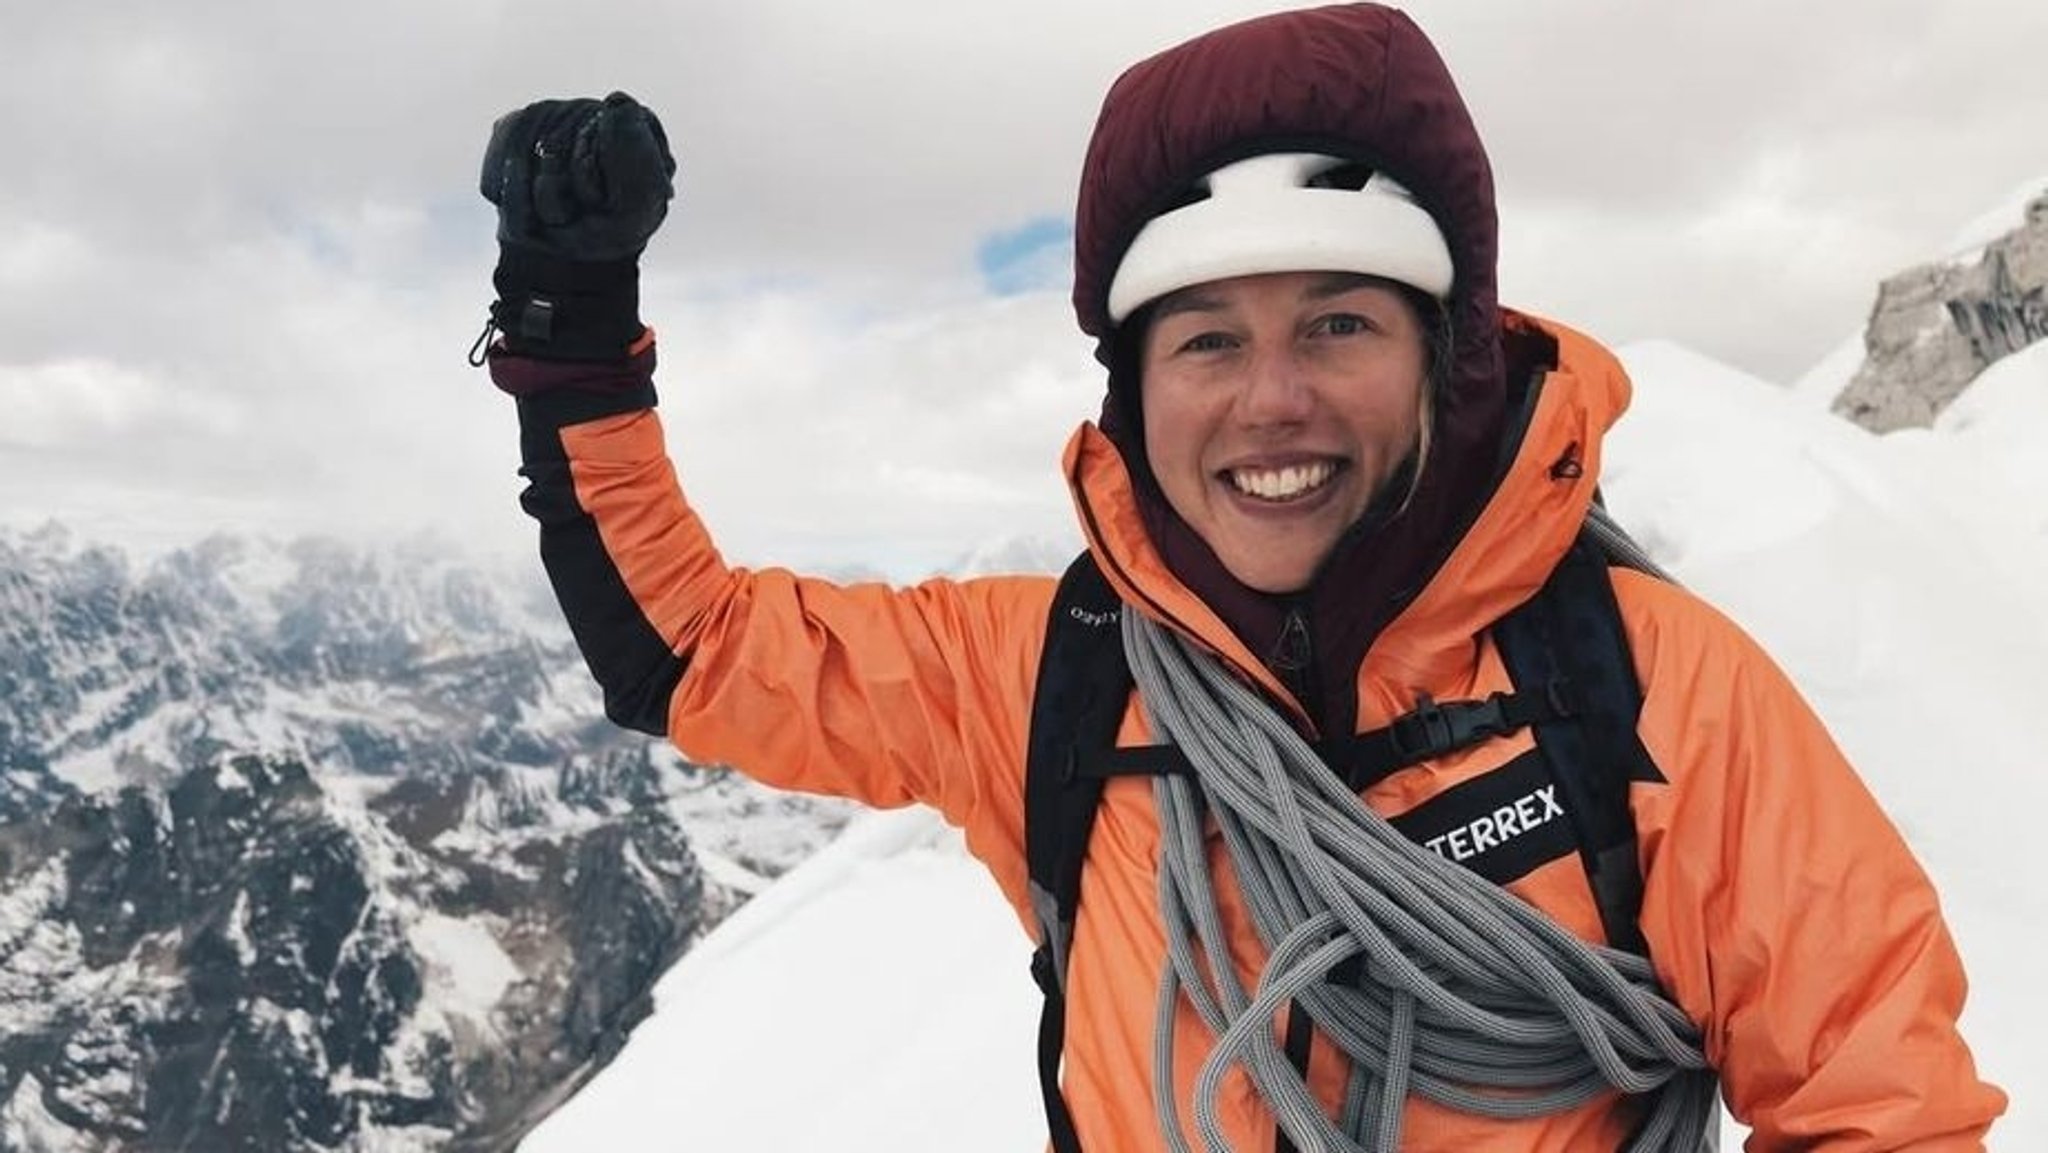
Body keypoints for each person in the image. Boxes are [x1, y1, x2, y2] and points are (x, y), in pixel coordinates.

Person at [474, 6, 2004, 1151]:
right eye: (1207, 338)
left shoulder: (1645, 681)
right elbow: (697, 650)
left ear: (1445, 359)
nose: (1272, 401)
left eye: (1340, 321)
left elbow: (1884, 1098)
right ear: (1136, 394)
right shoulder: (1055, 672)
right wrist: (570, 337)